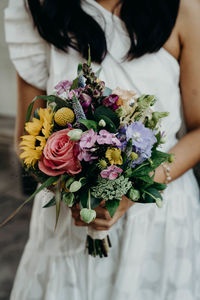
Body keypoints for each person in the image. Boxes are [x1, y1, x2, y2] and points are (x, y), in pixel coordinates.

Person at [4, 0, 200, 299]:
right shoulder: (36, 11)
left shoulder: (184, 8)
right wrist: (74, 193)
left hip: (159, 213)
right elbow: (27, 139)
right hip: (71, 217)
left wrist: (136, 188)